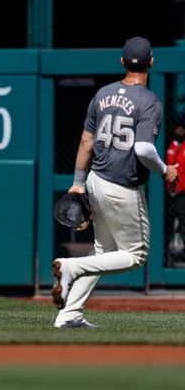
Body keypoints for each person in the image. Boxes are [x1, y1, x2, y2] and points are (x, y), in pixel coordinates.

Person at [51, 36, 178, 328]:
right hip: (123, 186)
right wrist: (164, 170)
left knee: (103, 250)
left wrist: (78, 183)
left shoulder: (103, 94)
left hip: (96, 178)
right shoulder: (149, 101)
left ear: (122, 62)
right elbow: (144, 150)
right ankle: (71, 267)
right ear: (152, 62)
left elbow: (86, 141)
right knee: (137, 255)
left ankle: (70, 315)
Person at [165, 122, 185, 262]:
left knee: (183, 225)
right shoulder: (172, 145)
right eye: (177, 127)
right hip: (170, 191)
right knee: (168, 224)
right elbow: (170, 161)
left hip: (183, 192)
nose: (179, 130)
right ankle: (166, 256)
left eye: (182, 128)